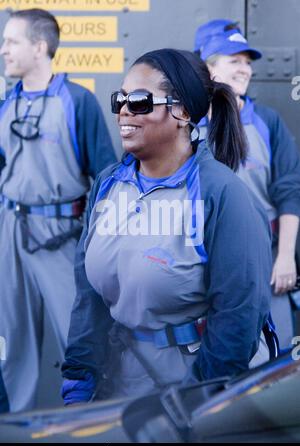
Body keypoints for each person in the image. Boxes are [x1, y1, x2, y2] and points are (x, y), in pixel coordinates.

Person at [61, 48, 277, 405]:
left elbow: (239, 317)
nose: (125, 111)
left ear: (182, 111)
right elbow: (90, 299)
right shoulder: (108, 185)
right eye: (121, 99)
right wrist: (79, 380)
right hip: (119, 381)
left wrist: (192, 403)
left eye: (142, 101)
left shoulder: (223, 194)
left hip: (196, 387)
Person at [0, 8, 116, 412]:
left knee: (77, 337)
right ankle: (13, 427)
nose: (3, 50)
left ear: (40, 46)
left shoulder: (77, 101)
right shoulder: (5, 103)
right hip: (10, 231)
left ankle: (88, 424)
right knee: (12, 341)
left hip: (61, 235)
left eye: (11, 42)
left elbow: (105, 177)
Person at [194, 20, 300, 349]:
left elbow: (289, 190)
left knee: (271, 355)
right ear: (207, 69)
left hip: (264, 261)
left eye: (248, 63)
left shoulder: (266, 121)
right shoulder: (186, 123)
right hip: (202, 262)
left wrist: (285, 257)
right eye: (233, 61)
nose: (245, 70)